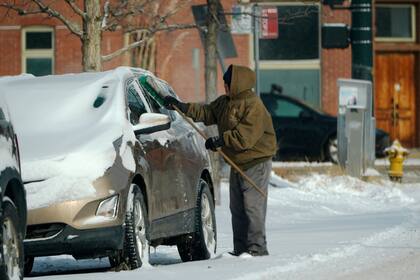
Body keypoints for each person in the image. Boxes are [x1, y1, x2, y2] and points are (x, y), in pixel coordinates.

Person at [164, 64, 277, 256]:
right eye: (225, 84)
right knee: (237, 208)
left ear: (238, 84)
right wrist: (182, 107)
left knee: (252, 207)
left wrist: (220, 140)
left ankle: (258, 249)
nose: (225, 87)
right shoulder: (225, 102)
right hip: (237, 163)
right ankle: (241, 250)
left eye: (228, 83)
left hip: (256, 163)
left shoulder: (253, 105)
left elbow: (245, 137)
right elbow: (207, 112)